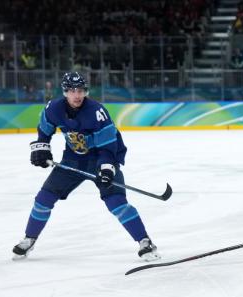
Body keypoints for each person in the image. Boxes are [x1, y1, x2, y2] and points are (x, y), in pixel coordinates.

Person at [12, 72, 160, 261]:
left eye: (81, 90)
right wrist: (42, 149)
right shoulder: (54, 108)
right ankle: (29, 239)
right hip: (72, 160)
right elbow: (45, 129)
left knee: (116, 202)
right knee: (43, 199)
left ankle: (145, 241)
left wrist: (106, 168)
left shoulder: (97, 111)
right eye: (73, 91)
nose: (77, 95)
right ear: (65, 92)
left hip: (101, 158)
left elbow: (107, 147)